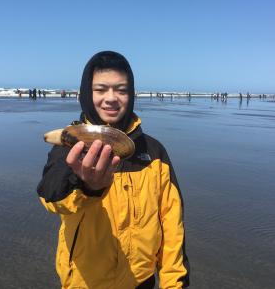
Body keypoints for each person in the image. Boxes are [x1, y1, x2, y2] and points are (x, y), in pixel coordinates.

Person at [37, 51, 189, 289]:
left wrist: (174, 284)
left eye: (121, 89)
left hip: (141, 280)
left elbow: (171, 222)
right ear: (87, 93)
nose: (111, 98)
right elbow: (51, 199)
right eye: (100, 89)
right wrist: (87, 186)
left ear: (131, 94)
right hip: (84, 281)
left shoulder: (154, 151)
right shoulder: (71, 145)